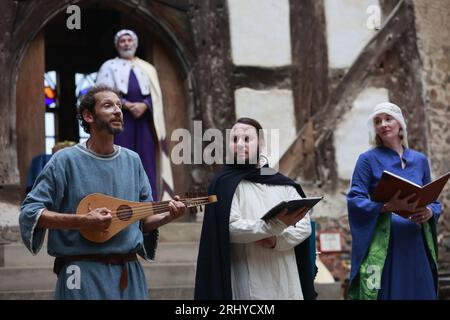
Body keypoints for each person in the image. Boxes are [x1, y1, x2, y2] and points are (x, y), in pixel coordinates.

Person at [19, 85, 186, 300]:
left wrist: (167, 216)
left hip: (128, 273)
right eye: (108, 105)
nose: (118, 110)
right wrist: (82, 221)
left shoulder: (133, 160)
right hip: (81, 273)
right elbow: (30, 212)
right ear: (88, 116)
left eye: (119, 105)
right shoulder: (65, 160)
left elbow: (141, 221)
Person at [195, 117, 317, 300]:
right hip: (248, 278)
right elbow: (229, 228)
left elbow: (304, 224)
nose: (240, 144)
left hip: (285, 277)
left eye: (247, 139)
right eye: (234, 139)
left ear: (261, 143)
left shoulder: (282, 184)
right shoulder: (223, 183)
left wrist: (276, 241)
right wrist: (271, 227)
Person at [347, 102, 440, 300]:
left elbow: (434, 200)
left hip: (416, 243)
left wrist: (429, 212)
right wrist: (387, 207)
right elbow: (355, 200)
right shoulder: (367, 159)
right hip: (385, 246)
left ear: (400, 124)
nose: (383, 124)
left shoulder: (420, 160)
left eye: (388, 119)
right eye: (378, 121)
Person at [96, 29, 172, 201]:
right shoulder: (109, 66)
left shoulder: (148, 68)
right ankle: (122, 200)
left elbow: (156, 96)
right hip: (119, 120)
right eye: (122, 41)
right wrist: (127, 105)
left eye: (129, 40)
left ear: (135, 44)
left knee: (147, 160)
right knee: (121, 157)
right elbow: (102, 94)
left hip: (145, 121)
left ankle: (149, 202)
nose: (126, 44)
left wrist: (145, 105)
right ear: (117, 45)